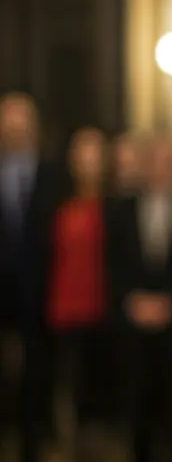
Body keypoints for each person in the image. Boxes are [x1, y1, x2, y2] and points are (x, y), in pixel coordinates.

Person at [108, 136, 172, 461]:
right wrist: (132, 300)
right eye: (154, 162)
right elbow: (114, 262)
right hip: (134, 321)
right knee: (138, 403)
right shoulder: (122, 207)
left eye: (167, 162)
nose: (160, 170)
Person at [34, 128, 116, 460]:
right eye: (82, 153)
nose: (88, 161)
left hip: (103, 300)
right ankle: (66, 437)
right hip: (63, 300)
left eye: (94, 153)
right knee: (65, 373)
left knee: (99, 376)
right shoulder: (55, 201)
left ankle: (97, 437)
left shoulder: (115, 201)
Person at [0, 93, 57, 462]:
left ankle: (33, 445)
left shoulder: (54, 173)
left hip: (42, 292)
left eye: (21, 121)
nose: (15, 128)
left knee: (37, 374)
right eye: (8, 120)